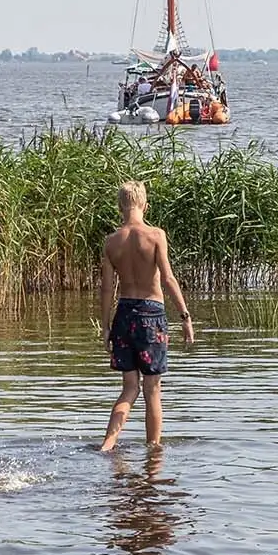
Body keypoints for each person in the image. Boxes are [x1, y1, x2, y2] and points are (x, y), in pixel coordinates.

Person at [98, 181, 194, 452]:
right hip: (151, 314)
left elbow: (106, 289)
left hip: (124, 314)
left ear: (120, 207)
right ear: (145, 205)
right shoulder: (155, 235)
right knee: (152, 389)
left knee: (130, 387)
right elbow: (168, 278)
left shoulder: (111, 242)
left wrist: (105, 327)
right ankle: (154, 452)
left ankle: (108, 444)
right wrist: (185, 316)